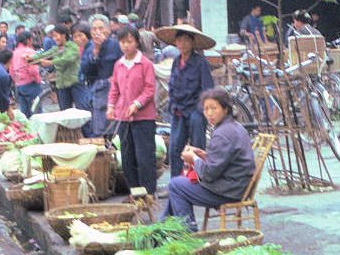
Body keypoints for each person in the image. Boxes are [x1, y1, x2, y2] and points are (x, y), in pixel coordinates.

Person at [159, 87, 255, 231]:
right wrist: (202, 154)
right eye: (206, 109)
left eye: (214, 108)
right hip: (237, 185)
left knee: (176, 186)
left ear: (225, 109)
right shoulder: (234, 127)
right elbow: (223, 159)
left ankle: (188, 234)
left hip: (229, 190)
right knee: (177, 184)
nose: (209, 113)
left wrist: (194, 158)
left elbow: (209, 173)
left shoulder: (223, 133)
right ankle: (161, 229)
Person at [154, 23, 215, 178]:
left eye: (186, 40)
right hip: (178, 111)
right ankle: (176, 184)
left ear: (192, 43)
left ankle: (199, 181)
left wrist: (201, 112)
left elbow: (208, 90)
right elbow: (172, 87)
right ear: (175, 43)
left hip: (195, 112)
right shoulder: (175, 62)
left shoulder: (201, 63)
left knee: (196, 149)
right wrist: (172, 106)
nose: (182, 44)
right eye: (179, 40)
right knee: (175, 149)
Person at [106, 26, 157, 194]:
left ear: (137, 42)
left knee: (145, 157)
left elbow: (149, 89)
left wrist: (136, 104)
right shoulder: (118, 64)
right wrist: (111, 106)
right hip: (124, 118)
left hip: (143, 118)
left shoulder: (145, 64)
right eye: (122, 42)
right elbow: (114, 88)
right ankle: (134, 192)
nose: (126, 45)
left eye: (130, 41)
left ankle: (148, 193)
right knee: (127, 158)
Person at [80, 15, 121, 137]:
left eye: (100, 28)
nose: (97, 32)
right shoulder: (88, 48)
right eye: (94, 29)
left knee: (115, 129)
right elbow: (85, 71)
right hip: (96, 92)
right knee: (98, 130)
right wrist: (95, 53)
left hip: (114, 91)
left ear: (108, 29)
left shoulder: (116, 46)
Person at [9, 31, 42, 118]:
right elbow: (33, 69)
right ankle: (38, 131)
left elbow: (11, 70)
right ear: (28, 40)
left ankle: (26, 131)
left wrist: (17, 81)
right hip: (31, 84)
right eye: (31, 39)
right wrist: (38, 79)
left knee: (24, 113)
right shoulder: (29, 51)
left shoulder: (14, 52)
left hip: (19, 85)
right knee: (36, 111)